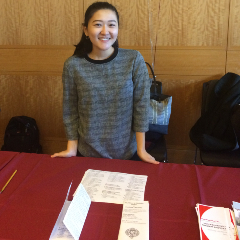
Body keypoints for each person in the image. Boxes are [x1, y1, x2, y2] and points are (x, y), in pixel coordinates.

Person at [51, 1, 159, 164]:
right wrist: (71, 147)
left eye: (111, 25)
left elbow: (141, 106)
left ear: (117, 29)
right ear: (86, 30)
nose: (105, 31)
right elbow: (70, 109)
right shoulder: (73, 65)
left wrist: (141, 149)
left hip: (127, 153)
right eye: (98, 25)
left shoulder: (133, 59)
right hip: (86, 153)